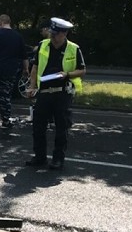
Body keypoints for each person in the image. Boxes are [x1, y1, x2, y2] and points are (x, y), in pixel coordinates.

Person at [24, 17, 86, 171]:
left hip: (63, 93)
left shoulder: (74, 48)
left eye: (56, 34)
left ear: (64, 34)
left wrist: (67, 74)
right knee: (38, 126)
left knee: (61, 128)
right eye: (51, 33)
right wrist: (32, 87)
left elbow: (82, 70)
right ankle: (39, 157)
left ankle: (58, 159)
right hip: (44, 92)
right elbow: (35, 68)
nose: (52, 37)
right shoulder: (43, 45)